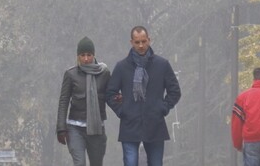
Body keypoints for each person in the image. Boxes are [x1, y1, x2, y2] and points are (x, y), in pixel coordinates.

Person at [106, 26, 182, 166]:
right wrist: (122, 111)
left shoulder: (162, 65)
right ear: (131, 42)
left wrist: (163, 108)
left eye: (143, 41)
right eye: (137, 42)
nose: (141, 45)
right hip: (130, 124)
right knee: (130, 162)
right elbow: (110, 93)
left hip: (155, 124)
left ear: (149, 40)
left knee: (156, 163)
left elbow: (175, 91)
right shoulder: (122, 67)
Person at [57, 36, 112, 166]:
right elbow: (63, 101)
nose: (86, 59)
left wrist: (120, 101)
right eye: (82, 55)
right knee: (79, 163)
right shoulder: (71, 74)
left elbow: (111, 96)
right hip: (75, 128)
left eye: (89, 55)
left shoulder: (104, 73)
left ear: (94, 55)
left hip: (97, 130)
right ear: (78, 56)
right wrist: (61, 128)